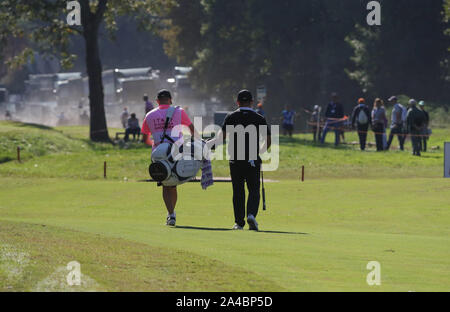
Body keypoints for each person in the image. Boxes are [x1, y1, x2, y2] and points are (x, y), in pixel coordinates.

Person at [208, 90, 271, 231]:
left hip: (235, 159)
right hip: (252, 159)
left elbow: (221, 137)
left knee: (238, 191)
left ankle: (238, 223)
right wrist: (259, 152)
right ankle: (251, 215)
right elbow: (268, 141)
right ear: (252, 102)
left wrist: (208, 144)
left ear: (237, 102)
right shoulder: (259, 118)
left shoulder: (231, 117)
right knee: (254, 190)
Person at [141, 90, 195, 226]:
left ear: (157, 101)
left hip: (159, 154)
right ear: (171, 100)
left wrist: (155, 146)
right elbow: (192, 129)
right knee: (173, 183)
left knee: (165, 184)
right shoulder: (179, 111)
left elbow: (145, 138)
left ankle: (171, 214)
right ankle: (171, 213)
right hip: (176, 152)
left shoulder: (149, 115)